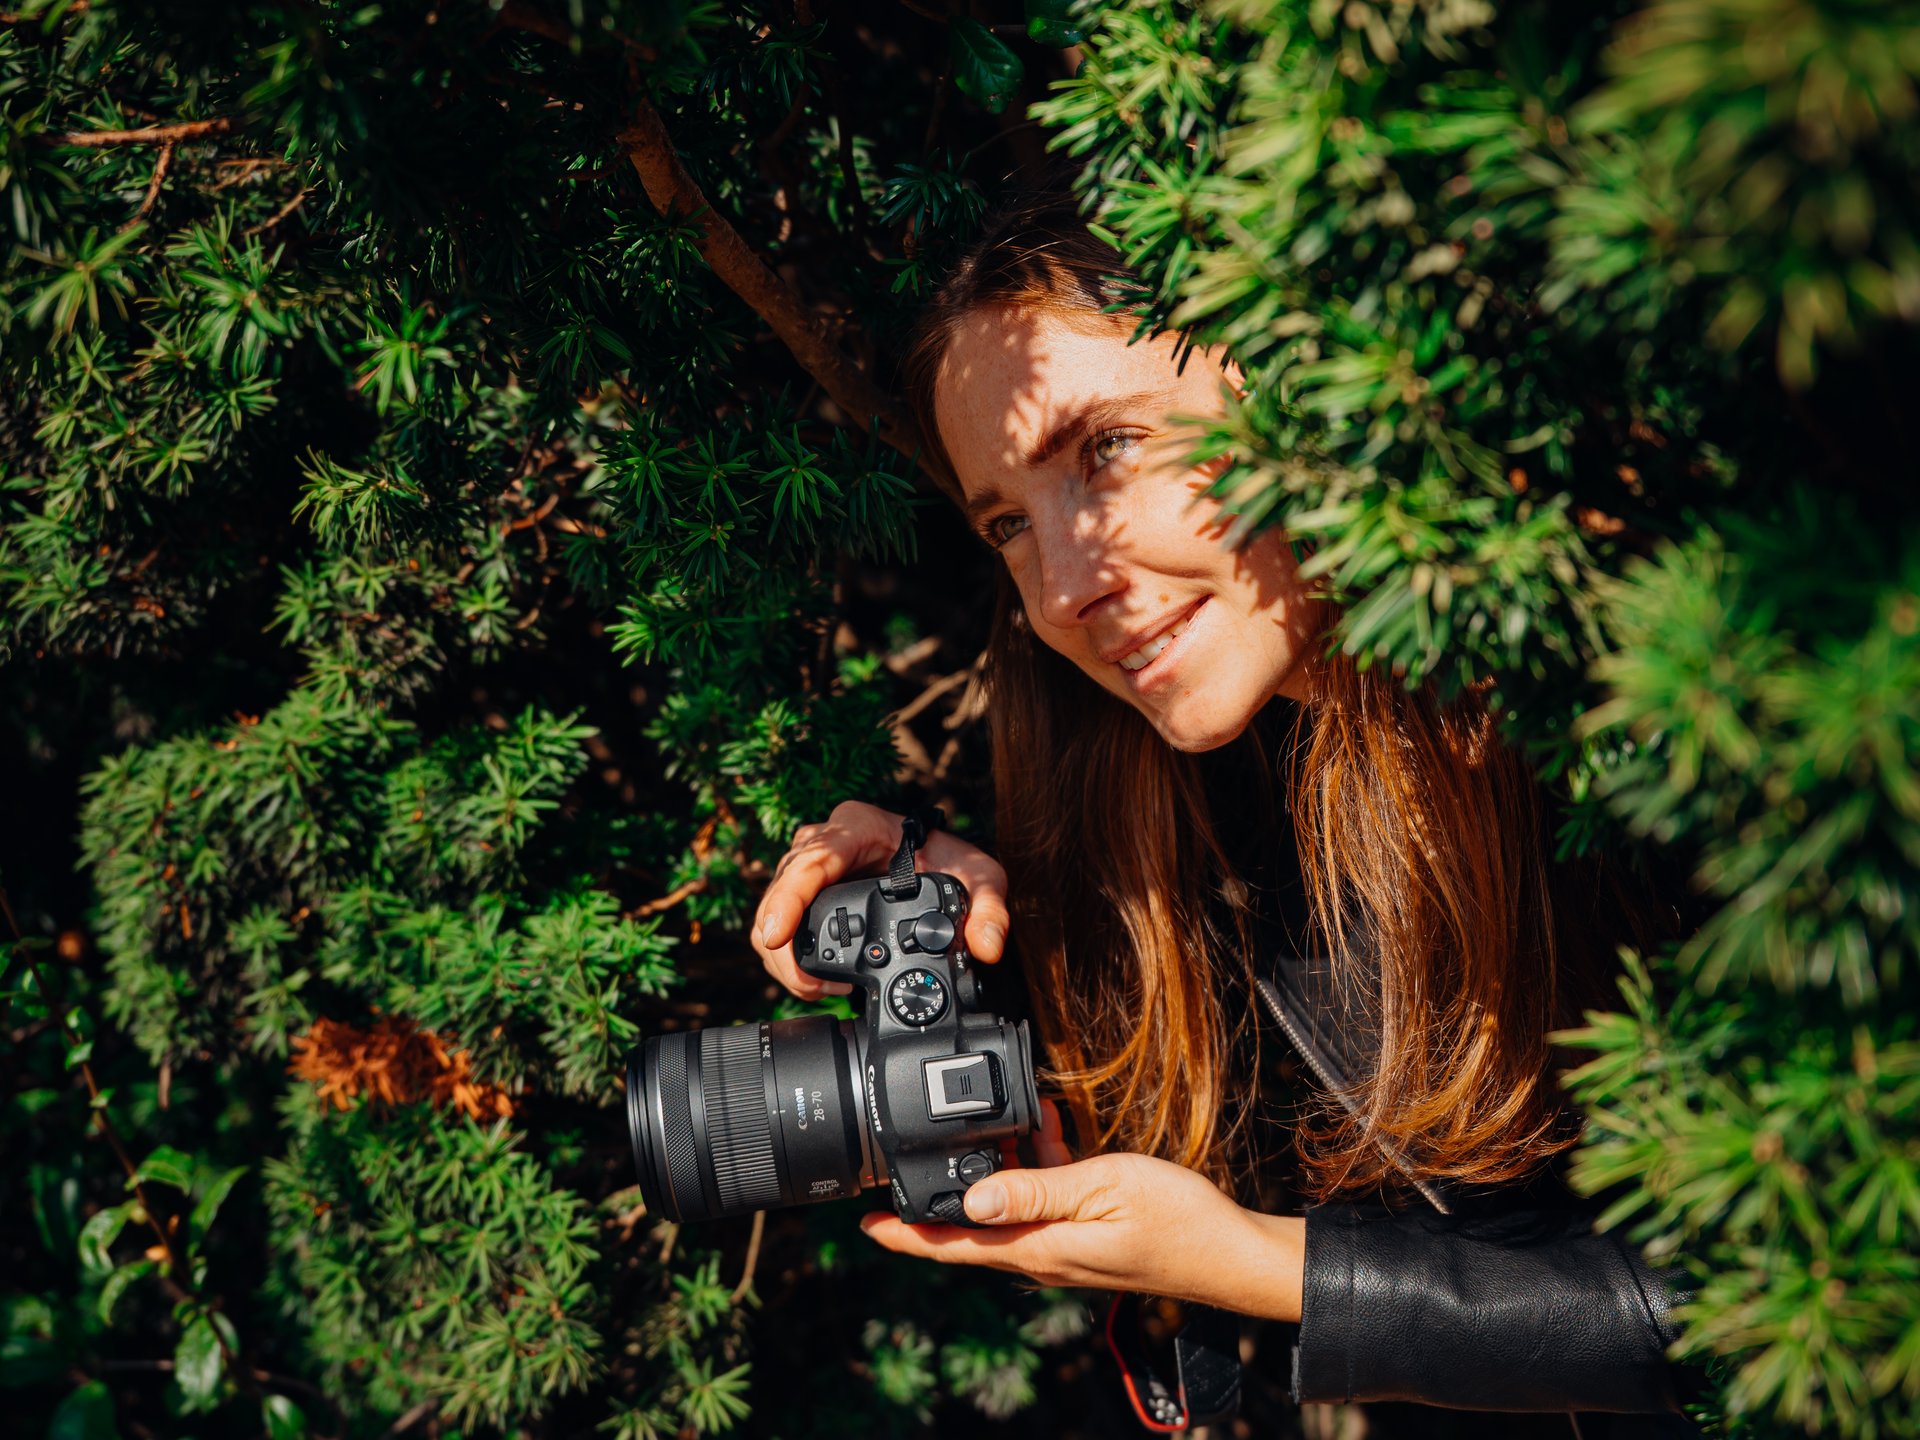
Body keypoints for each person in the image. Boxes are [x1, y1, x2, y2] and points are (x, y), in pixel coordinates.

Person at [749, 191, 1691, 1431]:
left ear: (1301, 376)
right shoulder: (1228, 795)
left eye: (1107, 449)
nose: (1066, 587)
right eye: (1008, 525)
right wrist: (974, 955)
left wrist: (1261, 1267)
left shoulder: (1650, 712)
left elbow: (1794, 1298)